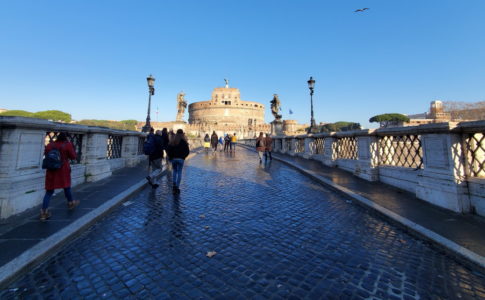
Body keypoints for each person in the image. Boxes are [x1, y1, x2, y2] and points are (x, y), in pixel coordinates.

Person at [40, 132, 79, 221]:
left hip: (51, 169)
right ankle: (70, 202)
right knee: (66, 186)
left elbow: (46, 154)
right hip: (63, 169)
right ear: (66, 138)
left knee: (49, 191)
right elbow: (73, 156)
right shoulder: (67, 145)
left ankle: (44, 212)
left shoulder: (50, 145)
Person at [167, 129, 190, 194]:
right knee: (179, 172)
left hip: (174, 159)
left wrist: (171, 156)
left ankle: (174, 184)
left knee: (174, 171)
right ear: (182, 134)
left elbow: (168, 150)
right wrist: (183, 157)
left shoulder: (172, 141)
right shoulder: (184, 142)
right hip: (181, 159)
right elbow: (187, 151)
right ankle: (177, 186)